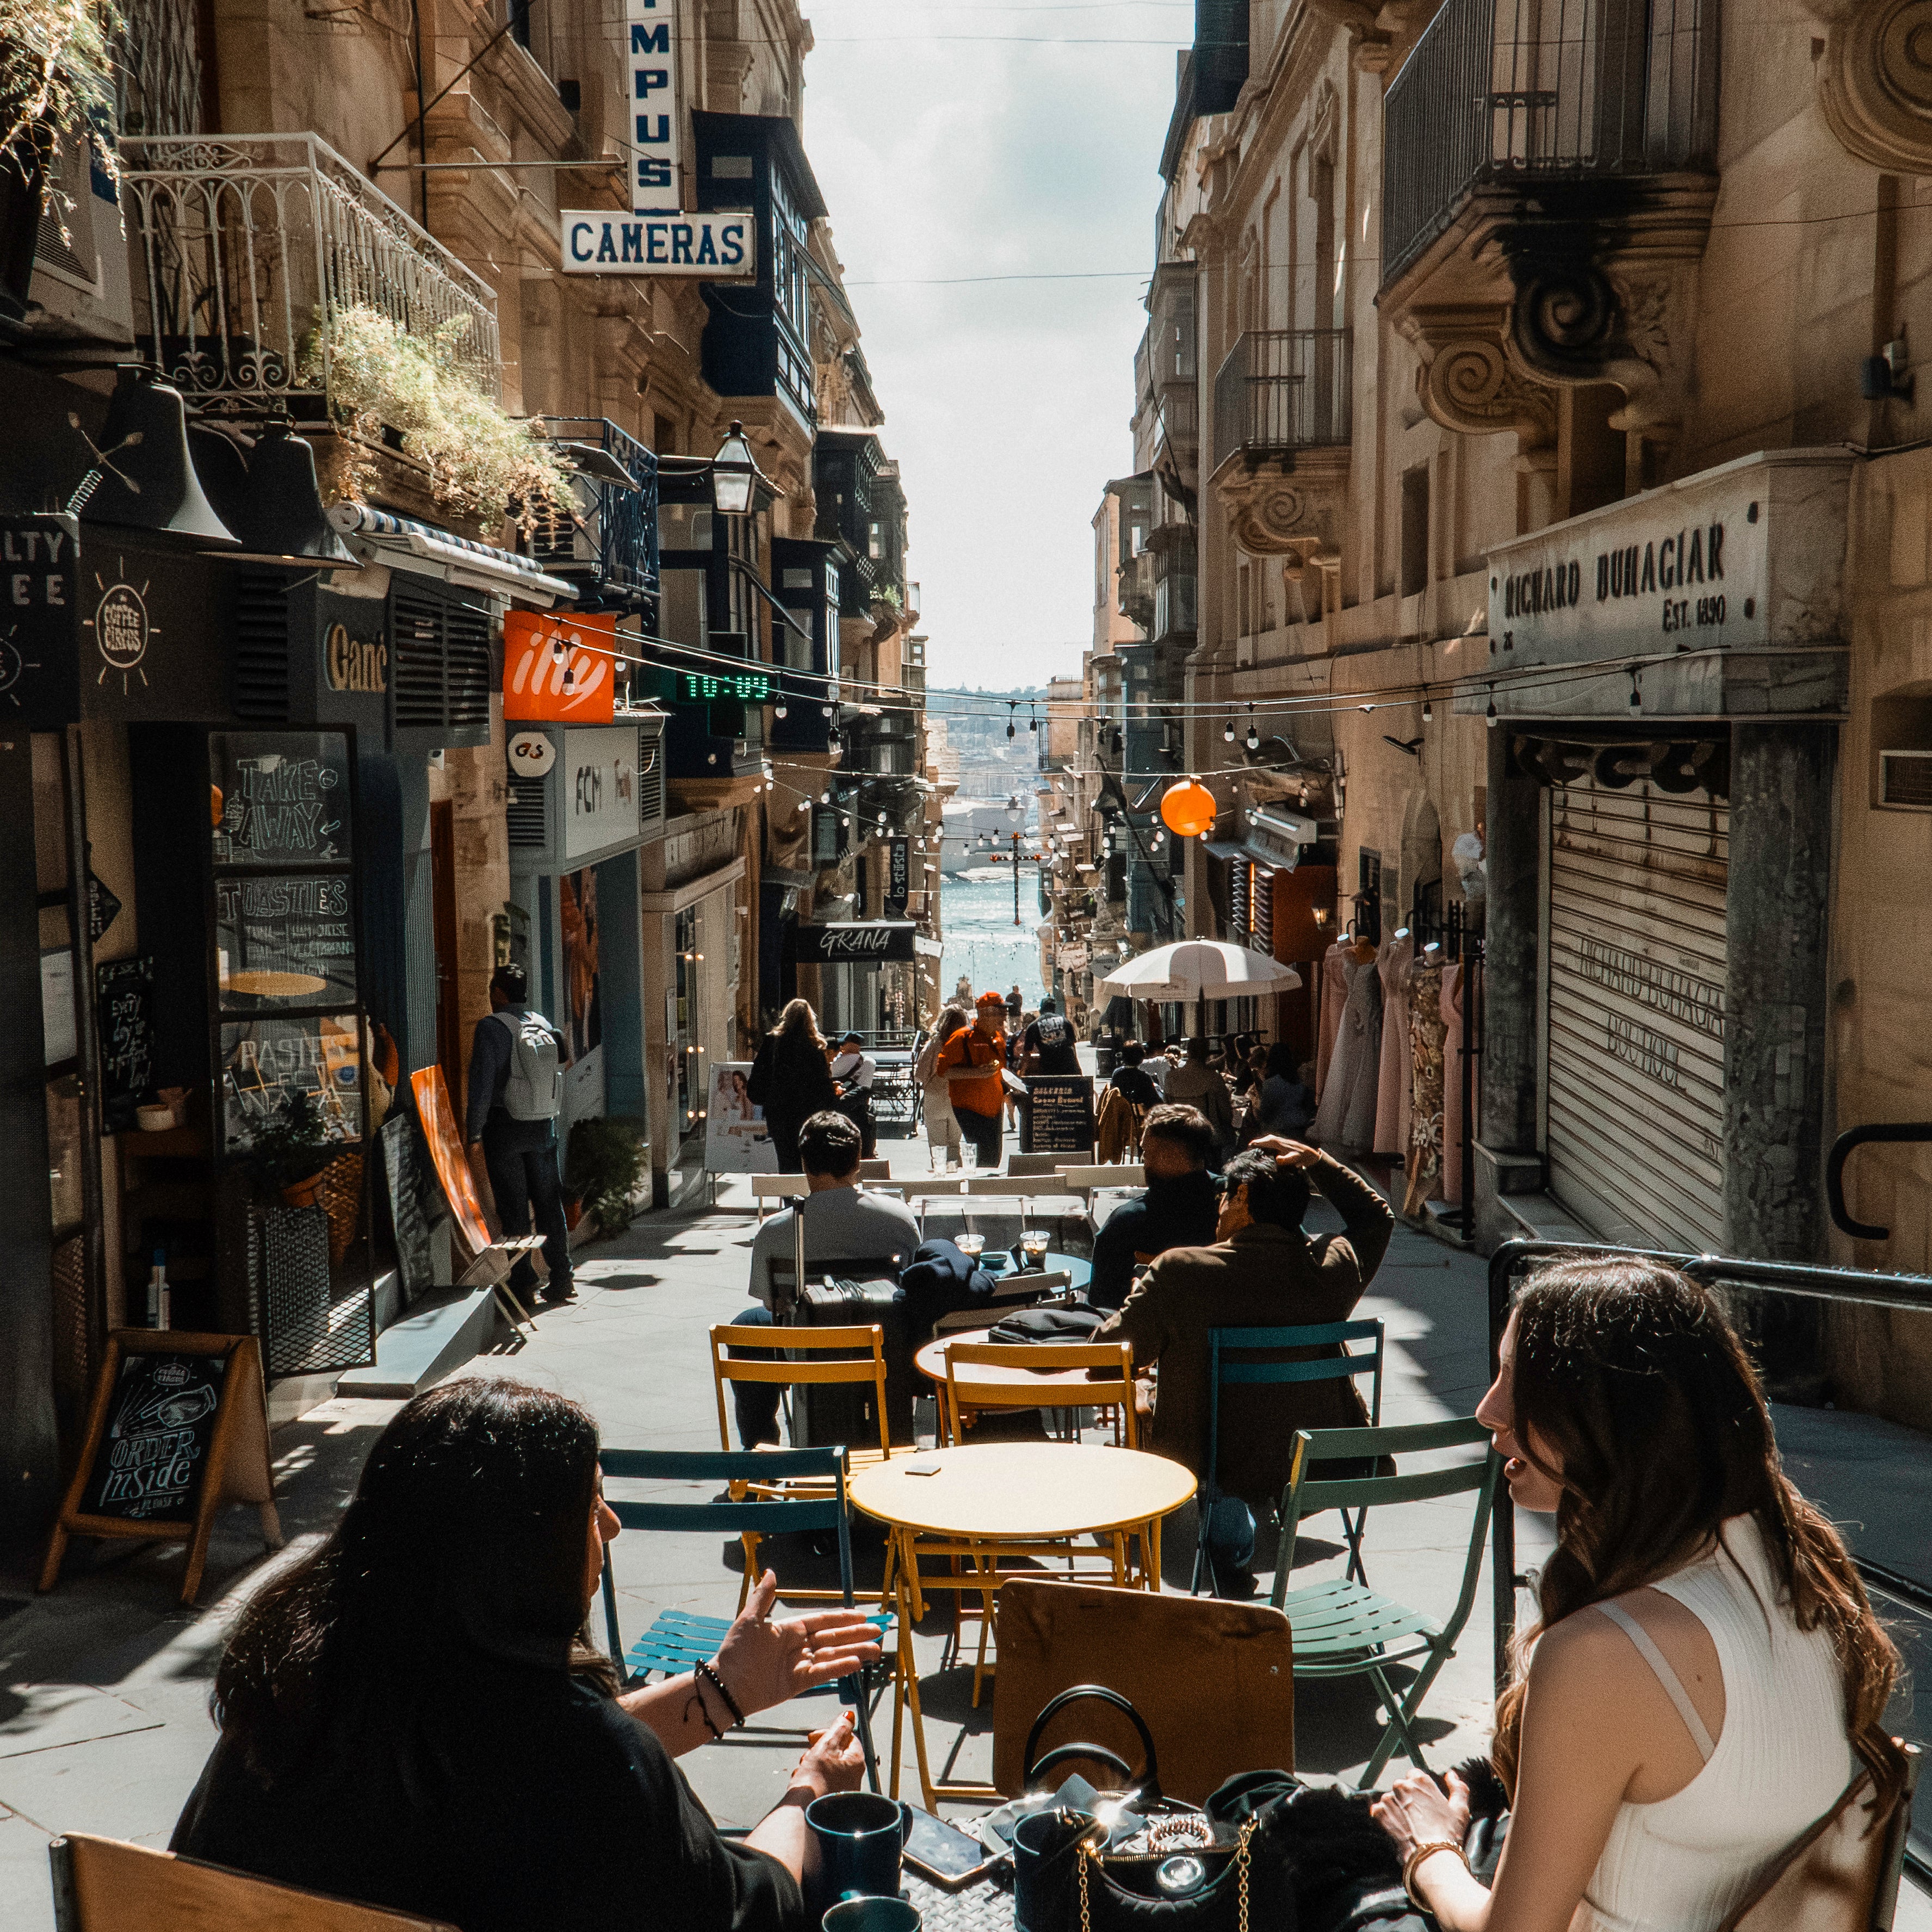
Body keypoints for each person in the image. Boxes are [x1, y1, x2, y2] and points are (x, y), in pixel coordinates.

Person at [173, 1379, 880, 1932]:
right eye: (592, 1503)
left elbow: (520, 1760)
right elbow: (748, 1909)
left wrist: (724, 1690)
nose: (613, 1524)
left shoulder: (290, 1710)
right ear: (519, 1553)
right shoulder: (575, 1763)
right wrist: (811, 1788)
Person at [1371, 1256, 1906, 1932]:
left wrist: (1430, 1848)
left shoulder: (1602, 1653)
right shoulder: (1794, 1566)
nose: (1487, 1410)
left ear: (1609, 1414)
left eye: (1516, 1379)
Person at [1095, 1137, 1394, 1594]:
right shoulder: (1333, 1266)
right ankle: (1241, 1528)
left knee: (1143, 1398)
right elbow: (1376, 1217)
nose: (1218, 1204)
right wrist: (1317, 1162)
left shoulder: (1181, 1270)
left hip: (1212, 1461)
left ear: (1242, 1196)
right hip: (1318, 1458)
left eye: (1224, 1194)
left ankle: (1228, 1533)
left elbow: (1106, 1357)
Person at [733, 1110, 920, 1446]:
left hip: (804, 1345)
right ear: (858, 1162)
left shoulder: (774, 1230)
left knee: (748, 1324)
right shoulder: (899, 1218)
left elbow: (771, 1304)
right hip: (881, 1343)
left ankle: (760, 1448)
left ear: (805, 1163)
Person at [465, 963, 574, 1307]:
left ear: (498, 993)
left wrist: (473, 1133)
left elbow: (482, 1085)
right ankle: (563, 1277)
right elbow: (564, 1061)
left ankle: (524, 1283)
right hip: (543, 1126)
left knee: (514, 1208)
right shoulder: (541, 1022)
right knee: (548, 1205)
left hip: (506, 1128)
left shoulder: (492, 1028)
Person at [1089, 1104, 1221, 1312]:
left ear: (1169, 1155)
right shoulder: (1235, 1202)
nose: (1143, 1160)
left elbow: (1103, 1305)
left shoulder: (1128, 1222)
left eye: (1146, 1152)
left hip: (1151, 1335)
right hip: (1224, 1329)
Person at [747, 1000, 838, 1173]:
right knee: (807, 1159)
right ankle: (805, 1196)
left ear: (786, 1017)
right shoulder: (815, 1046)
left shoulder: (772, 1042)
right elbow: (823, 1084)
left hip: (779, 1113)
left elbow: (760, 1073)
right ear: (810, 1019)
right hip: (809, 1114)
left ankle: (790, 1197)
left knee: (786, 1158)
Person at [935, 991, 1009, 1168]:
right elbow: (943, 1072)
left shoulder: (998, 1039)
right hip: (970, 1108)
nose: (1004, 1016)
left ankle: (992, 1193)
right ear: (985, 1013)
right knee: (982, 1160)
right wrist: (978, 1073)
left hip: (995, 1108)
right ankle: (980, 1193)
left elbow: (1001, 1071)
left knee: (993, 1159)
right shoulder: (962, 1038)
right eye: (1000, 1011)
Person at [1160, 1037, 1235, 1156]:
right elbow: (1226, 1115)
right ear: (1207, 1054)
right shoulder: (1214, 1078)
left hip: (1180, 1136)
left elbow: (1167, 1107)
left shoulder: (1171, 1077)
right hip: (1208, 1138)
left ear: (1188, 1053)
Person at [915, 1006, 968, 1171]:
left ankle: (941, 1183)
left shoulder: (934, 1045)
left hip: (935, 1098)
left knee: (938, 1148)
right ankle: (956, 1182)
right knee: (954, 1146)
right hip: (959, 1099)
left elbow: (920, 1074)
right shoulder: (966, 1044)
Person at [827, 1031, 877, 1159]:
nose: (841, 1047)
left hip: (834, 1103)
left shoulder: (834, 1062)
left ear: (850, 1045)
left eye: (844, 1044)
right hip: (857, 1106)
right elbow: (866, 1087)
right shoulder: (869, 1062)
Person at [1254, 1041, 1317, 1138]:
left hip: (1279, 1131)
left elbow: (1265, 1113)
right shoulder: (1299, 1081)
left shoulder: (1271, 1084)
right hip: (1300, 1127)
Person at [1107, 1039, 1160, 1111]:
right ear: (1141, 1058)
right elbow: (1153, 1100)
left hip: (1121, 1114)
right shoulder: (1144, 1077)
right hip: (1140, 1116)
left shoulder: (1117, 1074)